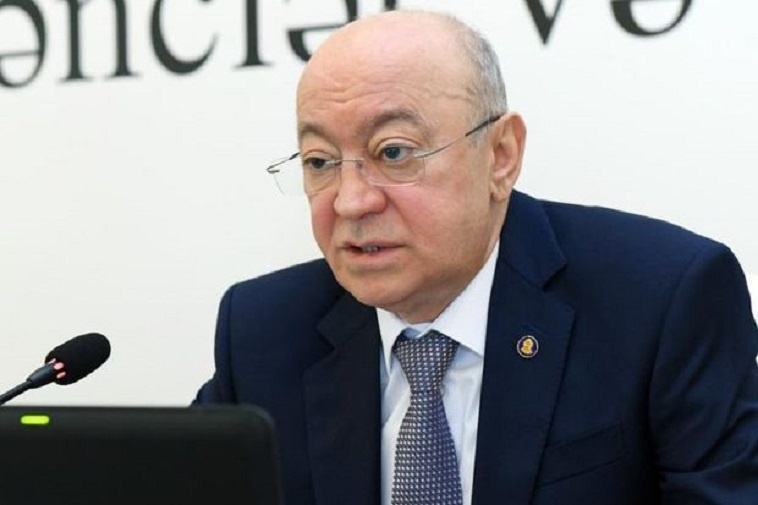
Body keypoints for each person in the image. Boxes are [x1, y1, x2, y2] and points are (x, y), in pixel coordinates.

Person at [195, 9, 758, 505]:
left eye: (393, 152)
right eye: (320, 162)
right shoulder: (263, 331)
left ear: (500, 156)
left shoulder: (662, 303)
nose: (351, 201)